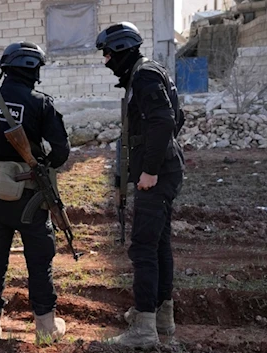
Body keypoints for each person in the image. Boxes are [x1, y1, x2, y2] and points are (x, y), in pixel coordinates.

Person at [0, 41, 70, 343]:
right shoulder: (41, 103)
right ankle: (46, 329)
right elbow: (61, 150)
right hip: (31, 199)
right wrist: (44, 166)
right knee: (39, 260)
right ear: (34, 70)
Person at [95, 22, 185, 348]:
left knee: (144, 248)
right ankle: (162, 320)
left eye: (107, 53)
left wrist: (149, 169)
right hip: (164, 169)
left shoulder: (144, 75)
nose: (105, 61)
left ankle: (145, 330)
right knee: (159, 245)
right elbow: (177, 116)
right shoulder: (147, 72)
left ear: (120, 50)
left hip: (157, 175)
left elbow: (164, 120)